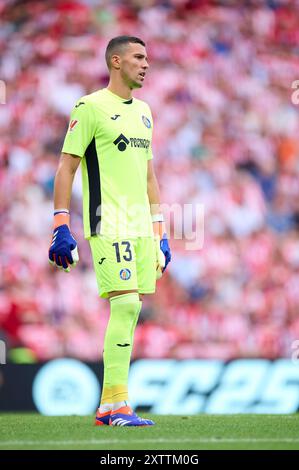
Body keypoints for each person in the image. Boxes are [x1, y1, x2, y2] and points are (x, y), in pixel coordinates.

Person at [48, 36, 171, 427]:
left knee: (133, 310)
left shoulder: (146, 112)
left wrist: (160, 234)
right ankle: (114, 406)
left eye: (148, 58)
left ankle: (112, 405)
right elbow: (67, 166)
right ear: (115, 62)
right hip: (108, 223)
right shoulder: (89, 107)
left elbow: (150, 178)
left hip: (139, 228)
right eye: (138, 57)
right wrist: (60, 225)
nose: (146, 64)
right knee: (126, 305)